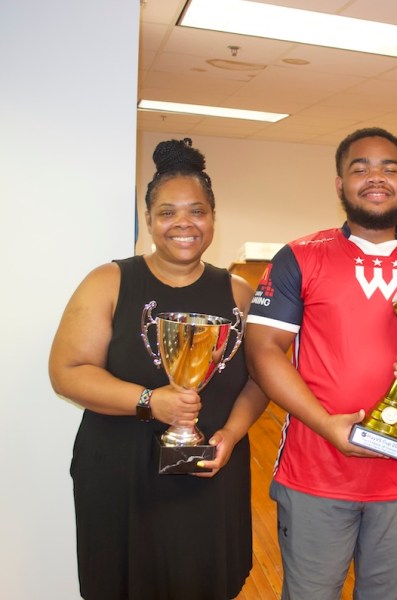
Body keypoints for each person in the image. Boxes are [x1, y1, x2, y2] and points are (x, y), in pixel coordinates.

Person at [244, 127, 397, 599]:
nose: (377, 177)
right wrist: (327, 425)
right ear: (339, 184)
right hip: (316, 471)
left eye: (390, 167)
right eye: (361, 168)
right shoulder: (299, 258)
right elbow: (262, 351)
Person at [49, 138, 269, 600]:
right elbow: (67, 371)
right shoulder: (110, 282)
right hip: (121, 477)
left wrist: (230, 434)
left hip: (210, 473)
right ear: (148, 220)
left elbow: (259, 380)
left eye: (197, 210)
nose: (183, 223)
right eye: (167, 212)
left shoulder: (238, 294)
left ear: (212, 218)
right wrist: (150, 401)